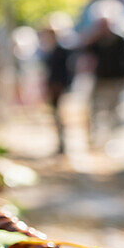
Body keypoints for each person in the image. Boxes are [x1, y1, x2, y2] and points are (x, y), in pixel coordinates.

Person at [84, 1, 124, 147]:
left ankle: (112, 140)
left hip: (116, 80)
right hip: (100, 79)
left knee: (113, 110)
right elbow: (84, 51)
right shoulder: (96, 41)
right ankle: (95, 138)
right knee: (95, 110)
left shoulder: (119, 40)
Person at [39, 16, 73, 154]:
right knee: (55, 116)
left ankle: (64, 144)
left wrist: (60, 85)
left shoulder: (61, 50)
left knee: (62, 116)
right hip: (53, 87)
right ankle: (60, 143)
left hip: (59, 87)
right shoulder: (49, 49)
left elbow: (65, 71)